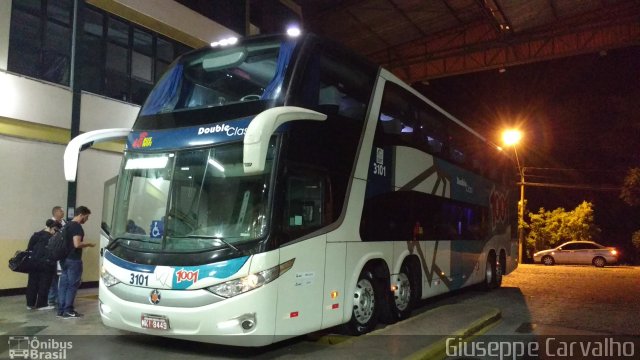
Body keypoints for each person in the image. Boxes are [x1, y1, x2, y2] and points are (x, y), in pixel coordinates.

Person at [57, 206, 95, 319]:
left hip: (63, 259)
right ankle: (68, 309)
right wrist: (88, 244)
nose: (87, 219)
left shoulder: (66, 225)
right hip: (73, 260)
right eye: (86, 217)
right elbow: (77, 244)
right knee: (72, 285)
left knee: (63, 285)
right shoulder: (76, 227)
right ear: (81, 215)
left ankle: (61, 310)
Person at [26, 219, 58, 310]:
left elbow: (29, 248)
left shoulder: (36, 235)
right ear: (53, 228)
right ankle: (42, 304)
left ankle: (30, 304)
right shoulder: (51, 238)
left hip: (33, 262)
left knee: (32, 283)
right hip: (46, 263)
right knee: (44, 283)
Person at [48, 206, 66, 307]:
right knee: (53, 278)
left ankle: (60, 299)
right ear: (55, 212)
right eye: (60, 211)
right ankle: (51, 298)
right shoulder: (50, 223)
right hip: (53, 254)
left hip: (62, 254)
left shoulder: (65, 223)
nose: (63, 212)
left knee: (61, 278)